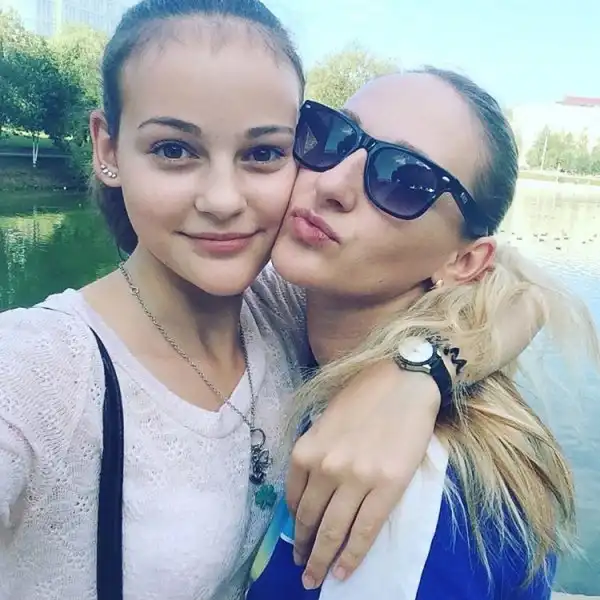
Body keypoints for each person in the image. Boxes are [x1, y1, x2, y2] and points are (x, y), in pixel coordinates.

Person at [0, 2, 543, 599]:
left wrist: (416, 376)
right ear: (108, 148)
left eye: (263, 153)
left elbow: (524, 291)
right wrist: (419, 374)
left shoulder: (287, 311)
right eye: (174, 150)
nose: (223, 200)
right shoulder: (34, 371)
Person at [246, 69, 600, 599]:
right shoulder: (295, 326)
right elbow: (523, 288)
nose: (333, 183)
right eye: (331, 134)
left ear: (464, 262)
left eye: (404, 180)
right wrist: (423, 369)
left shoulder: (408, 491)